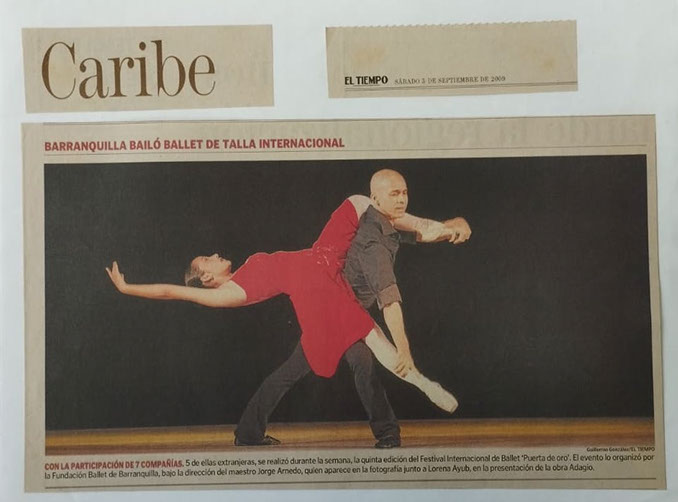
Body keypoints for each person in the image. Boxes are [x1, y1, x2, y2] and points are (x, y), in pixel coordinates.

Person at [106, 191, 470, 447]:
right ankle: (413, 397)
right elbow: (172, 292)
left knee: (361, 203)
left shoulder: (246, 267)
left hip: (324, 257)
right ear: (206, 277)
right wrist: (128, 288)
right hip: (318, 299)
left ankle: (435, 228)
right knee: (362, 350)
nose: (215, 254)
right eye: (208, 259)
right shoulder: (227, 293)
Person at [232, 170, 472, 448]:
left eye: (404, 193)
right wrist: (404, 349)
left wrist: (454, 227)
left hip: (338, 308)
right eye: (394, 194)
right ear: (375, 199)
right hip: (335, 310)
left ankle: (248, 432)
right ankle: (392, 427)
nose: (402, 199)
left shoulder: (382, 221)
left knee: (302, 369)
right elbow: (389, 300)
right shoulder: (373, 245)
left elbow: (421, 231)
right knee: (361, 362)